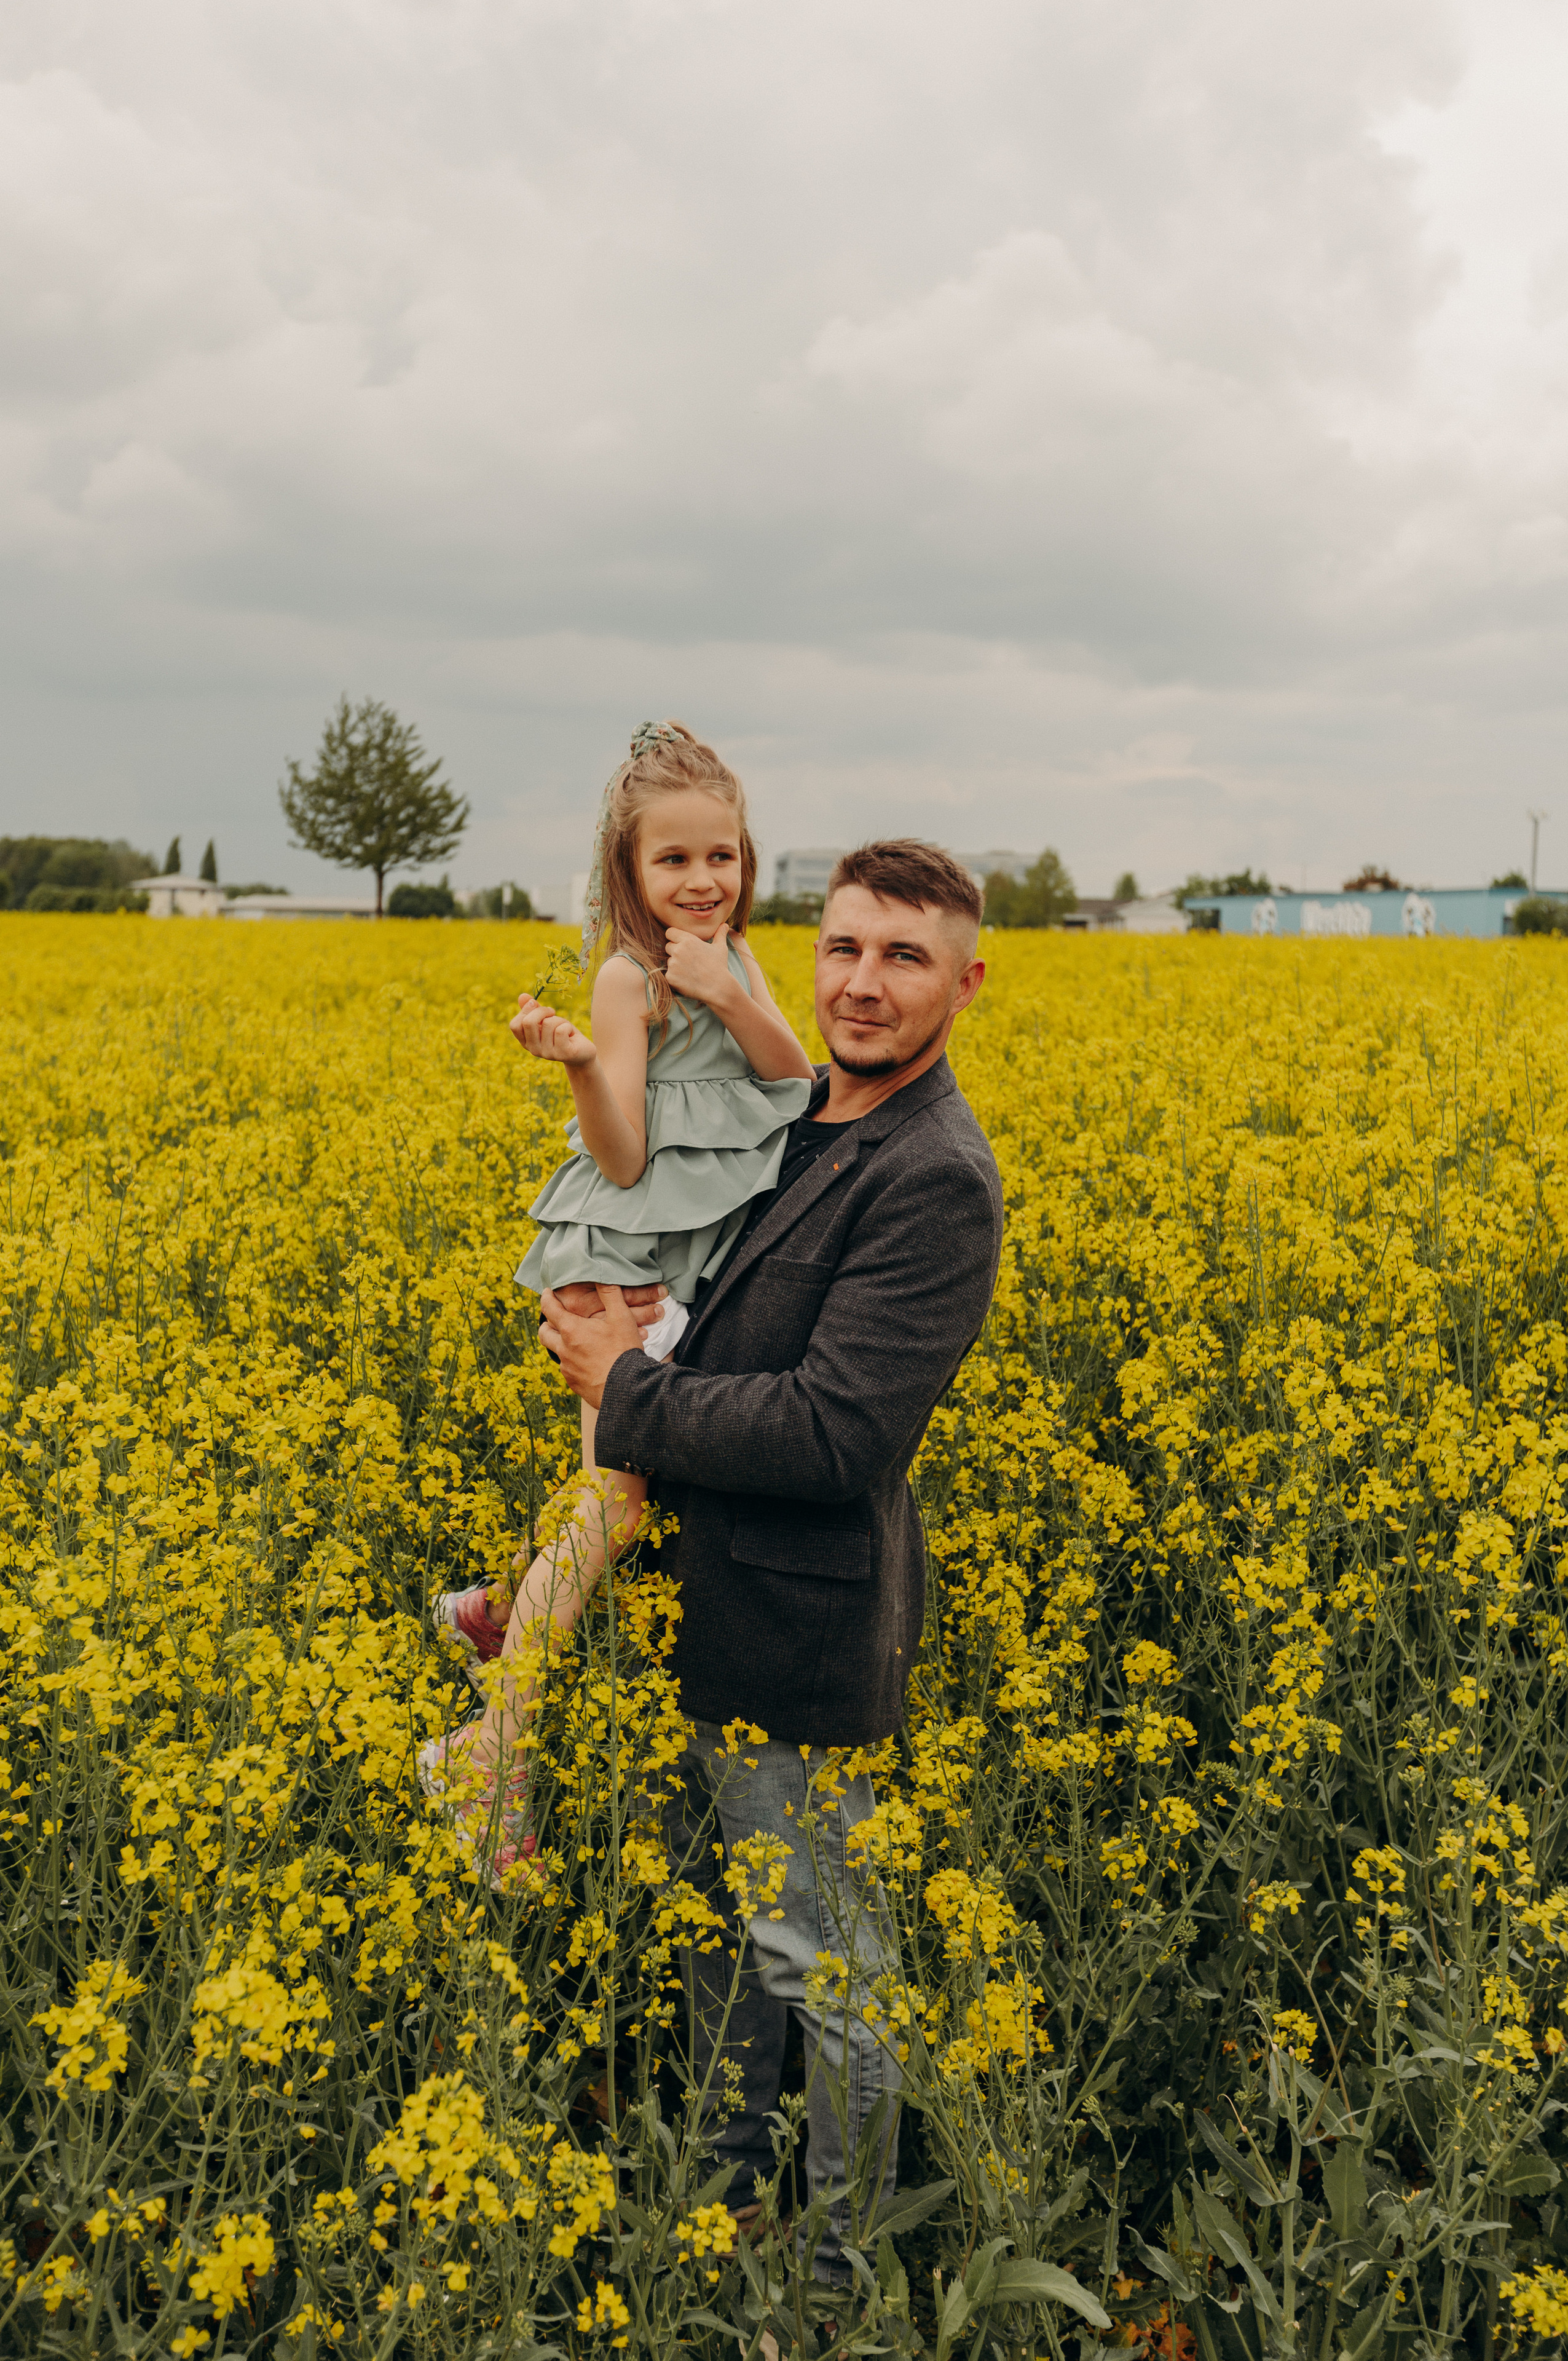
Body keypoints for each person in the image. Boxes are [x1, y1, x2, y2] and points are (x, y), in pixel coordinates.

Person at [540, 839, 1004, 2285]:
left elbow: (832, 1435)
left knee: (828, 1974)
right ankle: (721, 2205)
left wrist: (624, 1383)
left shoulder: (936, 1179)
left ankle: (838, 2280)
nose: (864, 983)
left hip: (796, 1637)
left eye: (904, 955)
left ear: (964, 982)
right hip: (694, 1602)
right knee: (723, 1953)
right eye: (846, 949)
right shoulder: (792, 1112)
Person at [418, 721, 814, 1868]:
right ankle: (486, 1755)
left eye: (723, 858)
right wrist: (591, 1064)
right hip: (619, 1259)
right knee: (623, 1506)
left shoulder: (736, 961)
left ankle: (499, 1609)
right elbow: (629, 1157)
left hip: (681, 1265)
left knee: (614, 1493)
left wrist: (734, 996)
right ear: (628, 875)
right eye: (674, 862)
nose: (703, 882)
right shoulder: (624, 977)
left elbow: (795, 1082)